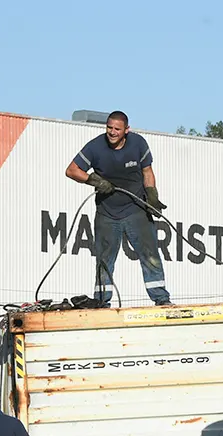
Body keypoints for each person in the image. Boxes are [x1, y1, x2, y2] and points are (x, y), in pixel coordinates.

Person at [64, 110, 172, 306]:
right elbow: (71, 170)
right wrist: (93, 180)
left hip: (136, 210)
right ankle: (102, 303)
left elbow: (147, 171)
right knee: (104, 262)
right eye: (109, 127)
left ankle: (161, 299)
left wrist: (153, 196)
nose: (112, 132)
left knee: (150, 256)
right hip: (106, 214)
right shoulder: (95, 147)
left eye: (117, 129)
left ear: (126, 130)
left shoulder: (138, 144)